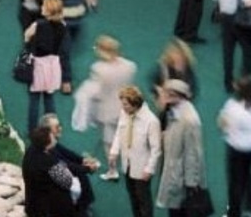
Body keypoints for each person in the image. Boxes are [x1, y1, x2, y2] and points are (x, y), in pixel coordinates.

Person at [217, 75, 251, 217]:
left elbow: (223, 125)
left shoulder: (233, 108)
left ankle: (233, 212)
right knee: (248, 177)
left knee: (234, 182)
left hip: (236, 150)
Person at [107, 85, 162, 217]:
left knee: (144, 200)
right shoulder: (125, 113)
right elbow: (119, 133)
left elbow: (156, 149)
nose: (123, 107)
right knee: (133, 198)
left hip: (142, 168)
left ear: (135, 104)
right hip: (128, 165)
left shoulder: (151, 121)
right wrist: (114, 151)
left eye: (125, 104)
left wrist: (149, 169)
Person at [155, 78, 207, 217]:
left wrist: (191, 183)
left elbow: (193, 154)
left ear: (174, 95)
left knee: (179, 211)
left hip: (180, 177)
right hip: (173, 170)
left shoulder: (189, 120)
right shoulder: (172, 111)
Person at [86, 34, 136, 174]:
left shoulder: (98, 68)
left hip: (106, 110)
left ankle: (112, 170)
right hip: (126, 107)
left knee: (109, 142)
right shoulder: (130, 66)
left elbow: (96, 93)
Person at [24, 0, 72, 134]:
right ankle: (52, 128)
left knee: (34, 99)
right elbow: (65, 52)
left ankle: (33, 130)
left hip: (38, 65)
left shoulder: (38, 25)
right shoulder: (63, 27)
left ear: (48, 10)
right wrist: (67, 77)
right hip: (53, 64)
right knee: (49, 98)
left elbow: (26, 37)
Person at [21, 123, 79, 217]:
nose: (54, 137)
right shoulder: (49, 162)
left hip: (32, 200)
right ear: (46, 144)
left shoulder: (30, 151)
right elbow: (67, 181)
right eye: (52, 136)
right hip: (48, 206)